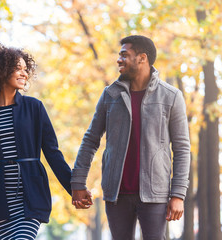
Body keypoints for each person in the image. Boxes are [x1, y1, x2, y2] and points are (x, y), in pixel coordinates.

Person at [71, 35, 190, 240]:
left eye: (124, 55)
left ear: (142, 58)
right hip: (116, 193)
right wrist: (78, 182)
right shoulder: (110, 95)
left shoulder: (171, 96)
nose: (119, 60)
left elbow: (181, 149)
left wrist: (178, 194)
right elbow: (90, 140)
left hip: (155, 194)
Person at [0, 44, 72, 240]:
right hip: (1, 199)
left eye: (25, 69)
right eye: (18, 68)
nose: (24, 74)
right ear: (2, 70)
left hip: (30, 195)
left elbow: (53, 152)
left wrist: (74, 188)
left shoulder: (34, 107)